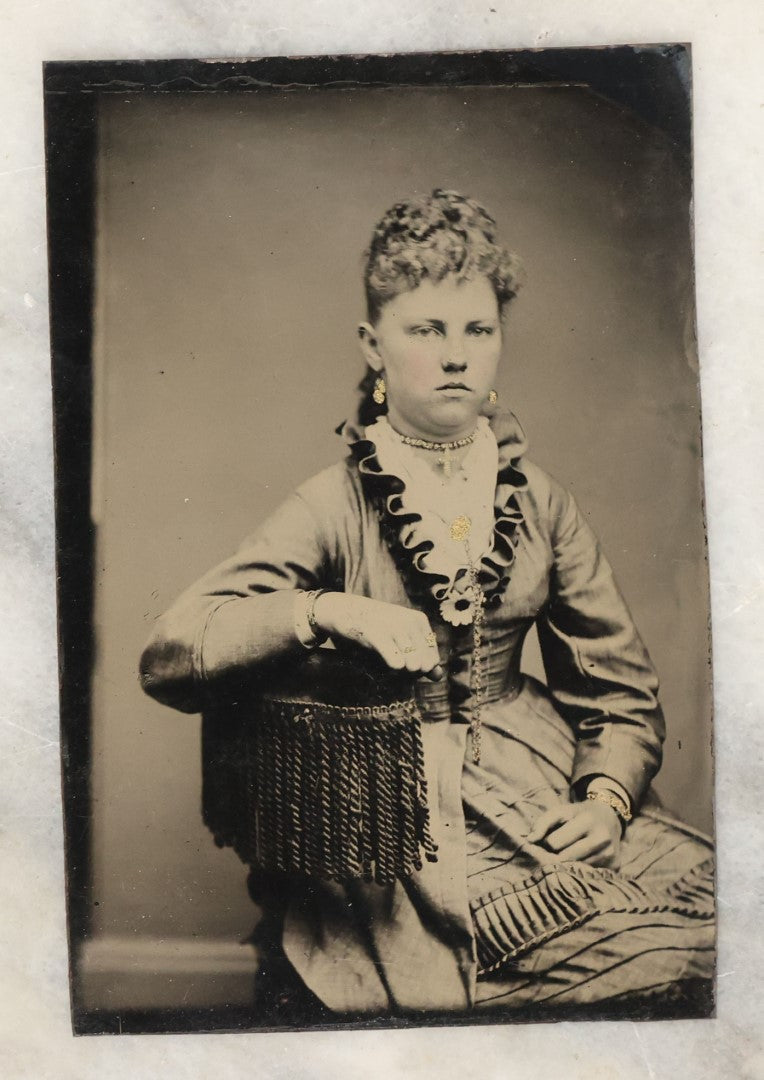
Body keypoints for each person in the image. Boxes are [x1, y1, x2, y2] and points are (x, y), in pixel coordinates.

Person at [139, 189, 714, 1019]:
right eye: (427, 330)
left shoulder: (540, 501)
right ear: (374, 345)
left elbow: (620, 695)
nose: (457, 357)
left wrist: (605, 797)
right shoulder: (332, 502)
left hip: (534, 776)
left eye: (478, 331)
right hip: (390, 809)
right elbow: (172, 650)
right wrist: (324, 610)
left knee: (714, 937)